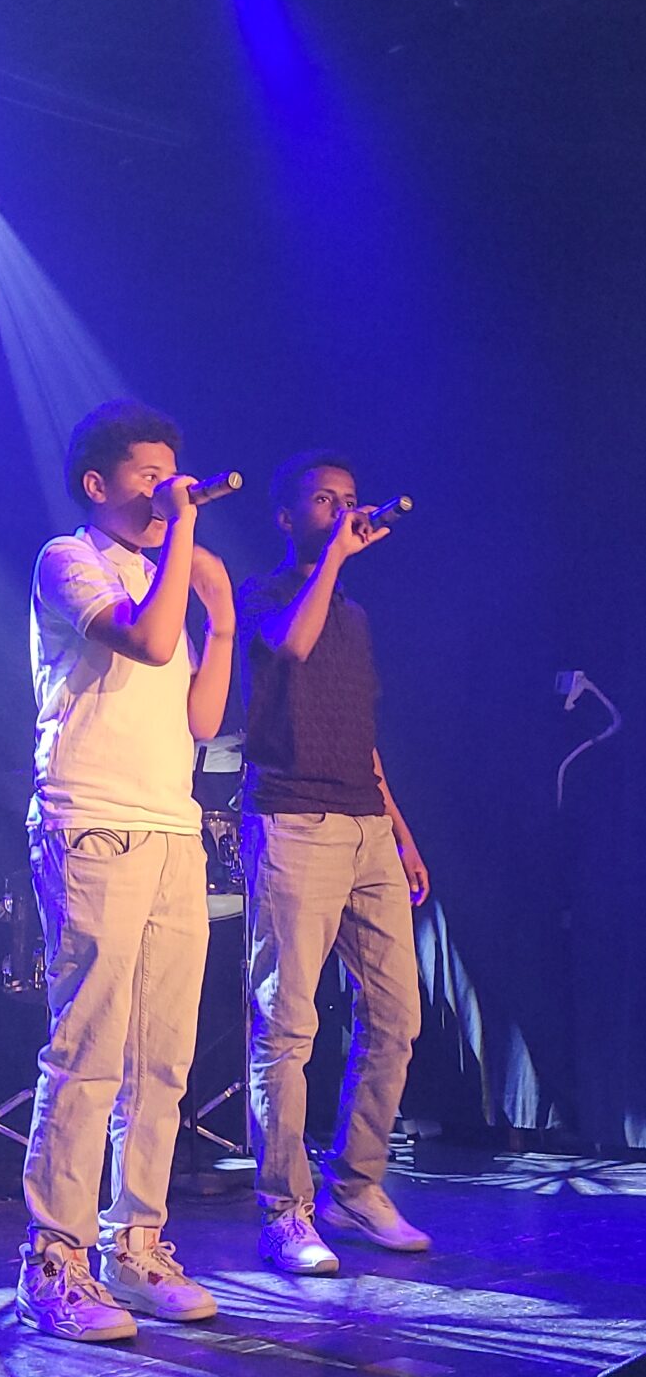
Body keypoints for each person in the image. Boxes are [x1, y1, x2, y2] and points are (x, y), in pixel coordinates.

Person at [18, 399, 235, 1343]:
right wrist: (183, 533)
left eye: (170, 474)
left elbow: (200, 720)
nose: (165, 489)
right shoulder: (68, 560)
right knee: (88, 1051)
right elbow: (143, 640)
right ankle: (52, 1260)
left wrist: (222, 624)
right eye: (148, 476)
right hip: (93, 823)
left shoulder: (161, 576)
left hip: (171, 826)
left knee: (162, 1056)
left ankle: (136, 1245)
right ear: (96, 483)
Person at [238, 451, 430, 1274]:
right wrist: (332, 565)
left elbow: (359, 733)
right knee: (287, 1025)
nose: (344, 511)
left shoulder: (355, 617)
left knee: (395, 1017)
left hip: (364, 824)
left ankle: (356, 1185)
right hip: (292, 819)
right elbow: (291, 645)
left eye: (349, 499)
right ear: (287, 517)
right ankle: (284, 1210)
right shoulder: (263, 594)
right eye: (324, 499)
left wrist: (399, 830)